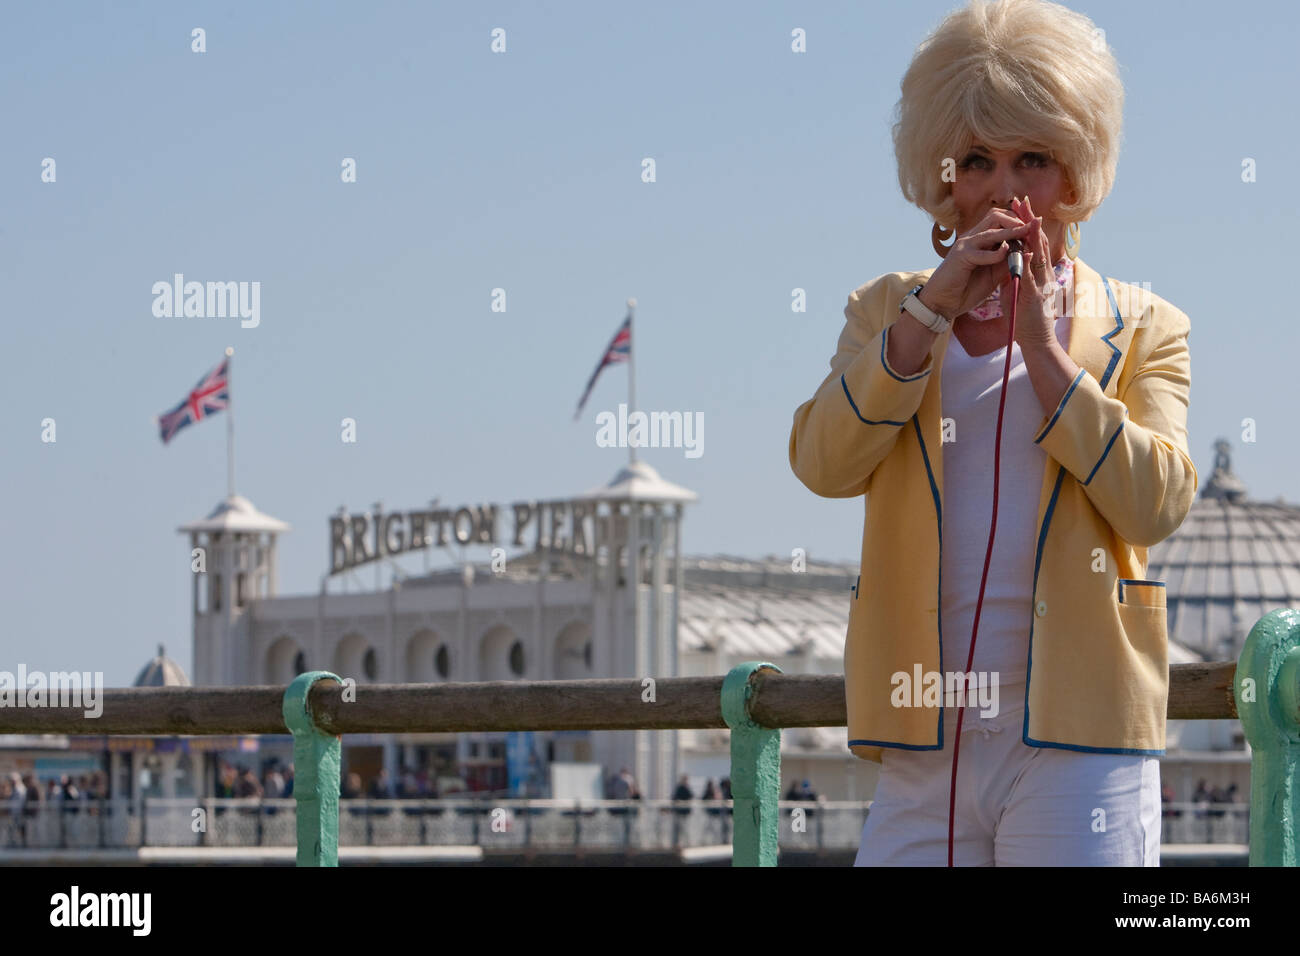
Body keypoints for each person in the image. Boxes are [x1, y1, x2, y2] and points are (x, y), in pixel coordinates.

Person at [789, 0, 1195, 866]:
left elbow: (1157, 502)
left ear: (1077, 173)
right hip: (919, 727)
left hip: (1078, 736)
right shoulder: (883, 308)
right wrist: (927, 314)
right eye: (977, 160)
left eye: (1034, 159)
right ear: (942, 177)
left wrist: (1046, 353)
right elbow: (822, 462)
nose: (1006, 190)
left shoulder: (1146, 323)